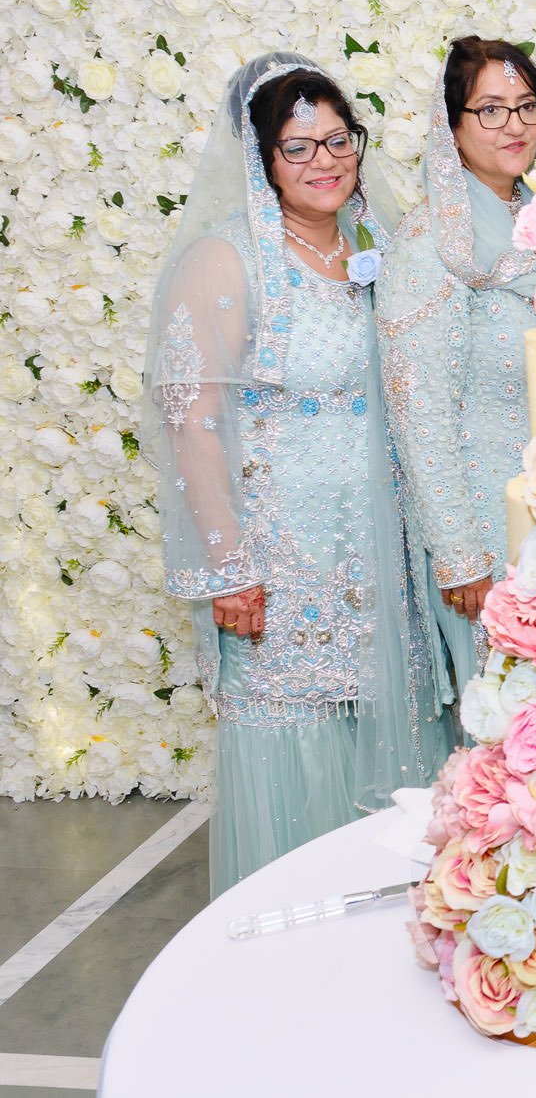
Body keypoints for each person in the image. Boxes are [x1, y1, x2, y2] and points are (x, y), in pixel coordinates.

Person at [144, 54, 448, 895]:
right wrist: (229, 565)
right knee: (298, 731)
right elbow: (192, 419)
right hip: (284, 558)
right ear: (262, 160)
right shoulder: (228, 259)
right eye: (297, 146)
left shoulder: (378, 241)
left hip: (385, 550)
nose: (325, 160)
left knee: (392, 722)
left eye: (336, 138)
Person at [377, 37, 536, 696]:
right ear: (451, 127)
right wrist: (459, 557)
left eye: (526, 105)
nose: (514, 125)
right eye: (489, 109)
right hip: (486, 537)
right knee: (511, 721)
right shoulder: (433, 243)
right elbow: (417, 406)